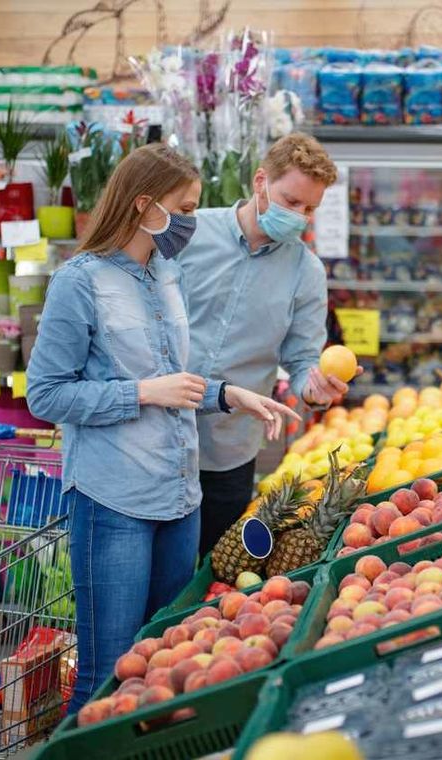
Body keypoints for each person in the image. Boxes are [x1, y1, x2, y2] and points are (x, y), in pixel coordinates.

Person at [25, 143, 300, 712]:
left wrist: (229, 394)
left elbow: (173, 376)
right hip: (114, 500)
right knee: (107, 670)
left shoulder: (164, 274)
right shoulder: (80, 281)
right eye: (187, 207)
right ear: (144, 204)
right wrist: (142, 394)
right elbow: (46, 393)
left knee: (160, 660)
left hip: (180, 498)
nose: (193, 223)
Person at [179, 133, 360, 556]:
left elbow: (301, 361)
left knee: (210, 578)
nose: (300, 216)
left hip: (229, 451)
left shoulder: (306, 272)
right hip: (158, 437)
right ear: (261, 182)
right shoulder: (189, 233)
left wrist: (314, 390)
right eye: (291, 201)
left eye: (310, 208)